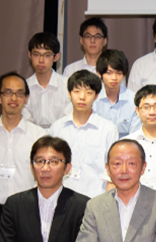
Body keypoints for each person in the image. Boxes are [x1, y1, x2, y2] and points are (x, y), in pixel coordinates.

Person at [0, 71, 46, 205]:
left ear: (26, 99)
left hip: (27, 206)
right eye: (8, 92)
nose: (14, 98)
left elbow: (42, 175)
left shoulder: (39, 135)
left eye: (19, 93)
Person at [48, 71, 119, 199]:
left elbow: (112, 170)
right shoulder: (57, 128)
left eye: (89, 92)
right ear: (69, 94)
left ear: (96, 96)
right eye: (77, 91)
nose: (82, 97)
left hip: (94, 198)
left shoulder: (108, 130)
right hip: (60, 197)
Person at [23, 31, 72, 129]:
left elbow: (68, 119)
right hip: (32, 136)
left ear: (56, 57)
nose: (41, 60)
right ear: (29, 54)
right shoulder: (23, 87)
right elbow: (26, 121)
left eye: (47, 55)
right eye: (36, 54)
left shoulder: (67, 85)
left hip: (61, 136)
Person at [93, 49, 139, 137]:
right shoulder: (92, 99)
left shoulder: (133, 100)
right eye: (109, 73)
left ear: (124, 75)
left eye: (118, 73)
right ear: (99, 73)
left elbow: (135, 134)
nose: (114, 78)